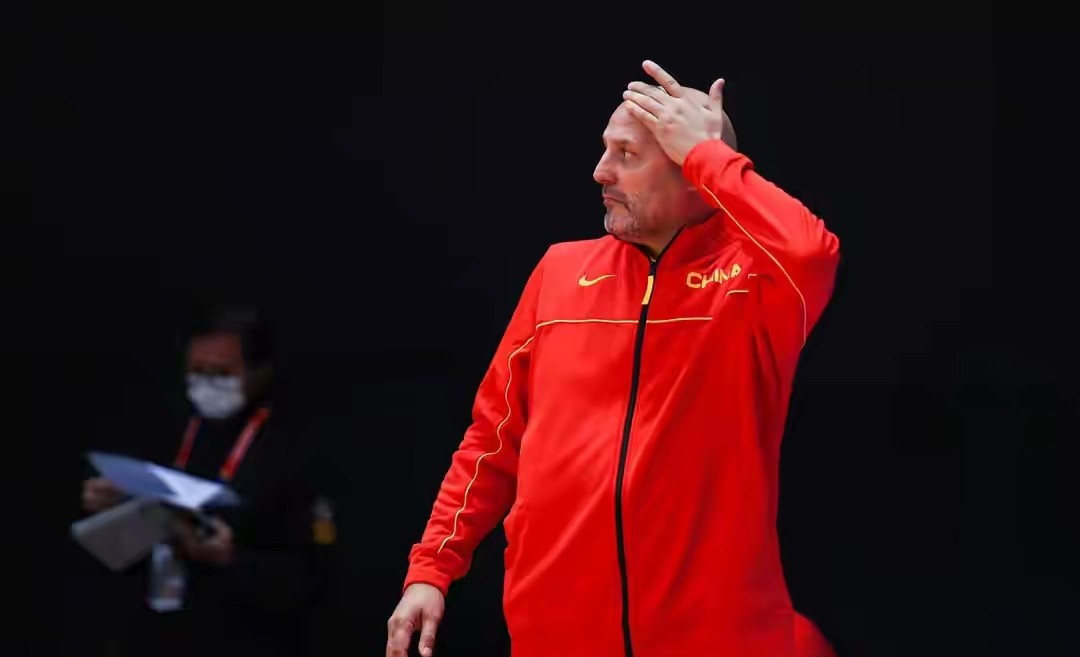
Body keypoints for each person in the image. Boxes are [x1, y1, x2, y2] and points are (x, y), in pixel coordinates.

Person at [387, 61, 841, 657]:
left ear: (692, 172)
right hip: (557, 635)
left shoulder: (755, 281)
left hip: (713, 637)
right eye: (606, 150)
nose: (600, 171)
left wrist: (711, 156)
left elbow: (811, 250)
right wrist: (431, 569)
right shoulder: (560, 271)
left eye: (626, 155)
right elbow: (492, 440)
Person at [80, 305, 334, 657]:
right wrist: (113, 505)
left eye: (222, 373)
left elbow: (311, 580)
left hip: (246, 637)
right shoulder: (169, 426)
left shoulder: (291, 451)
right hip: (158, 631)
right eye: (197, 372)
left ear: (259, 373)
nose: (207, 385)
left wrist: (230, 560)